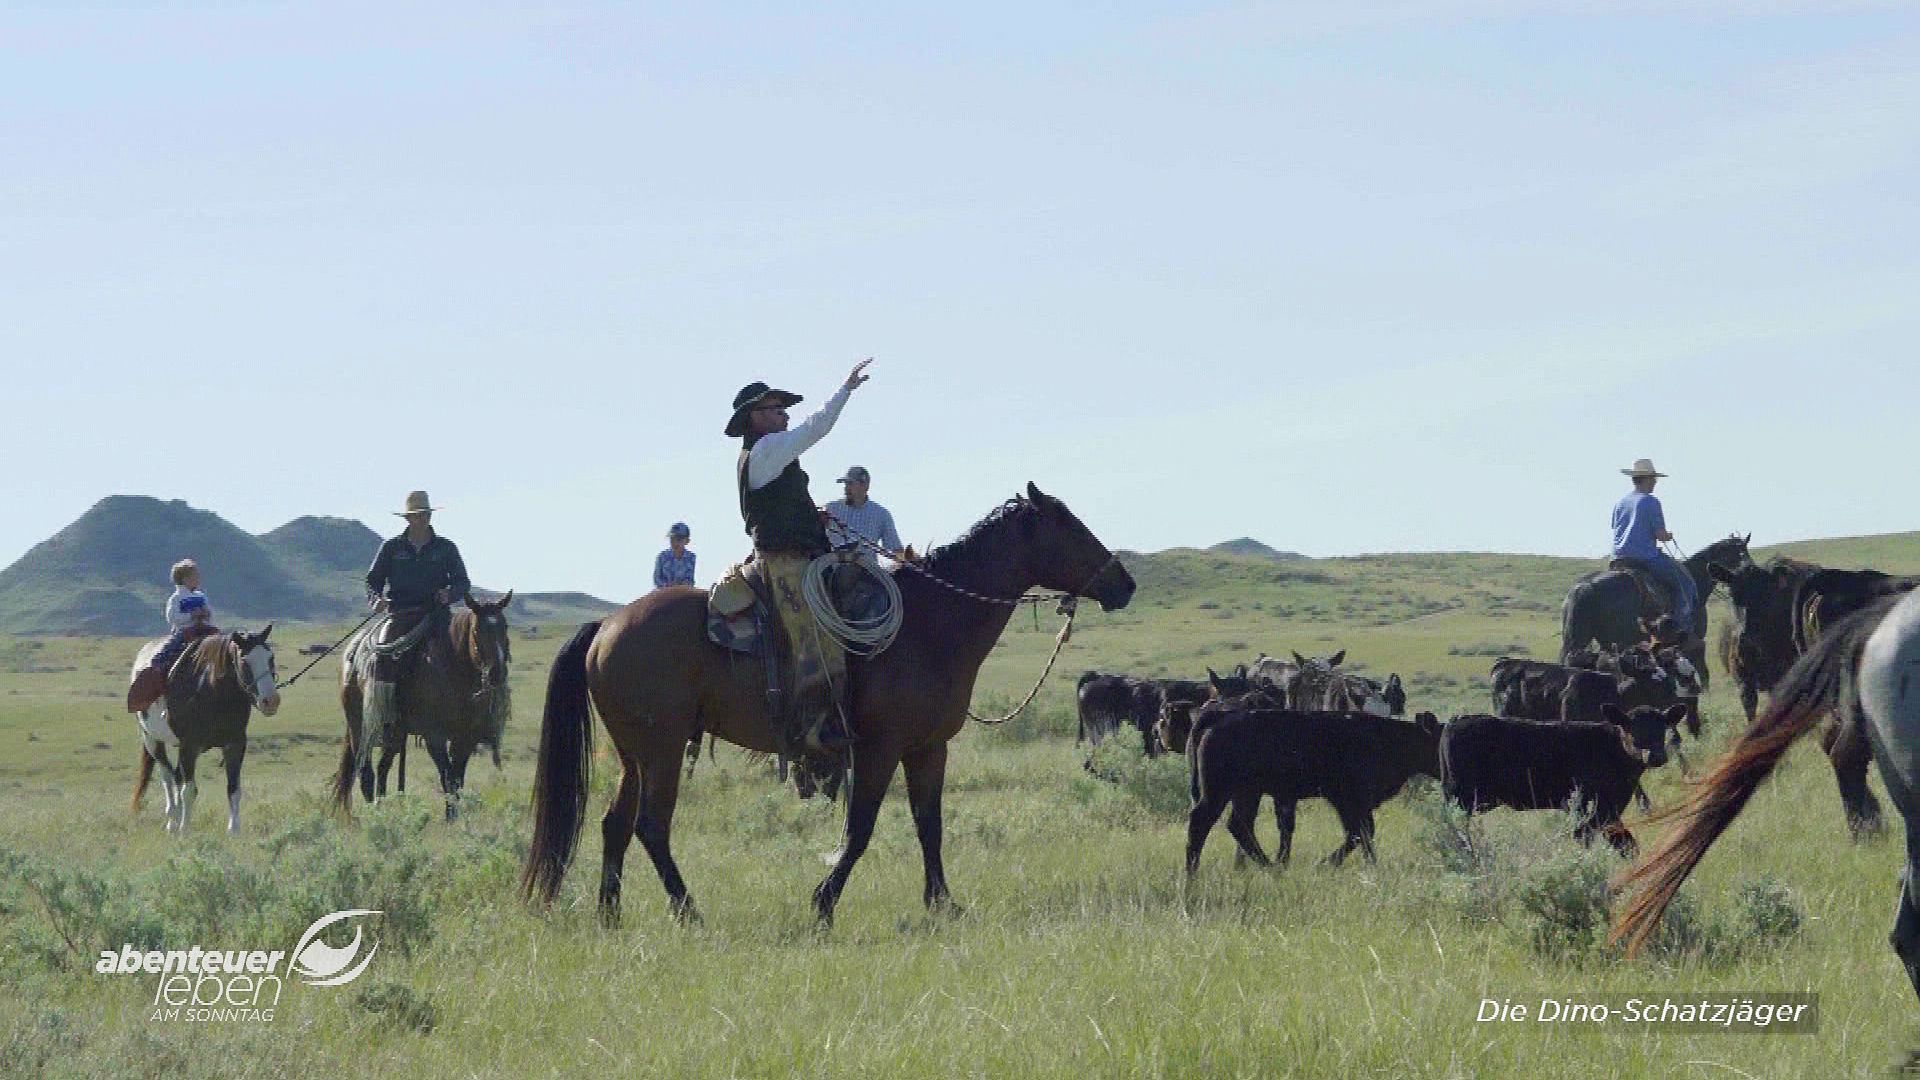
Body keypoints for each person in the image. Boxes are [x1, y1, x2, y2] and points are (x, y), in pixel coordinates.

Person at [727, 358, 873, 756]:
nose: (784, 414)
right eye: (775, 409)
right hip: (785, 563)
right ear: (754, 418)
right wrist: (844, 391)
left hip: (801, 554)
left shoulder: (769, 453)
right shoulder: (768, 449)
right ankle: (813, 731)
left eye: (783, 407)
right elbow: (817, 427)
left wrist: (811, 517)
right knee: (817, 638)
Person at [363, 491, 472, 742]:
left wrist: (450, 593)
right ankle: (383, 718)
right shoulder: (391, 548)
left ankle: (471, 714)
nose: (422, 519)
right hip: (400, 615)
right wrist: (375, 600)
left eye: (426, 514)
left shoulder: (446, 548)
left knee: (464, 654)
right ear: (408, 519)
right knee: (382, 657)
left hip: (437, 616)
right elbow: (372, 581)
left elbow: (462, 581)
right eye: (417, 515)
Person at [1611, 458, 1697, 632]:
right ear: (1646, 479)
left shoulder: (1620, 503)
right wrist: (1668, 536)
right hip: (1645, 558)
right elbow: (1660, 534)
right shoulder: (1650, 501)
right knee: (1685, 584)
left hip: (1619, 559)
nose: (1655, 483)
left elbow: (1616, 527)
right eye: (1653, 479)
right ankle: (1680, 628)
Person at [126, 558, 219, 714]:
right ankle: (158, 680)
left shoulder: (201, 596)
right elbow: (172, 618)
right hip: (186, 632)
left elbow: (210, 613)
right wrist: (191, 616)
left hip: (205, 630)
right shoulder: (176, 598)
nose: (198, 579)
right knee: (166, 654)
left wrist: (206, 614)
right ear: (185, 578)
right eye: (195, 576)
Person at [825, 465, 902, 560]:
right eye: (845, 484)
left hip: (867, 571)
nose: (846, 488)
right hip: (833, 568)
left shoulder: (881, 514)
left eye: (850, 484)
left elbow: (896, 550)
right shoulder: (830, 509)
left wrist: (909, 561)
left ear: (865, 486)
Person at [654, 522, 697, 588]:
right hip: (664, 593)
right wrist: (669, 586)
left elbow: (690, 579)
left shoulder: (691, 557)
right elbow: (657, 580)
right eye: (672, 539)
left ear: (687, 541)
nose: (675, 543)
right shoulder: (662, 557)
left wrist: (684, 585)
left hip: (684, 592)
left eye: (678, 540)